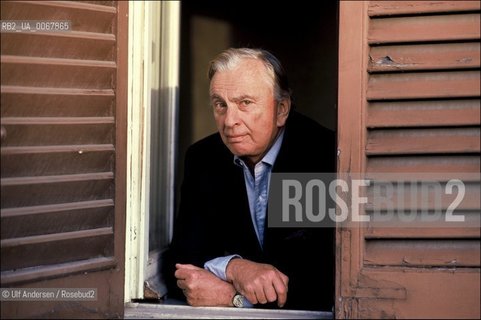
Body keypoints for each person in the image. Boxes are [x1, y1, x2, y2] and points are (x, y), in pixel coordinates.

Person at [164, 48, 335, 311]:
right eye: (220, 104)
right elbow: (182, 260)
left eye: (245, 103)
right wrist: (235, 267)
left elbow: (323, 280)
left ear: (281, 110)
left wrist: (232, 297)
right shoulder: (203, 158)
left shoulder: (322, 154)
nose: (230, 121)